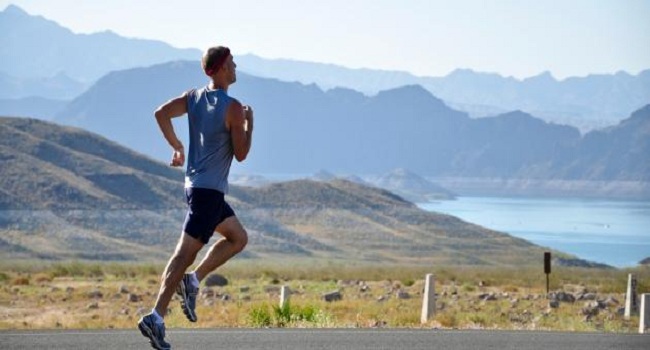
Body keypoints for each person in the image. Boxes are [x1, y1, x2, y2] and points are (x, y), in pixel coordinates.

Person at [138, 46, 253, 350]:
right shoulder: (233, 108)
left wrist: (177, 146)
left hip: (198, 189)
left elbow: (160, 113)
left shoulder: (193, 97)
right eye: (231, 63)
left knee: (238, 238)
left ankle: (193, 280)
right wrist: (248, 125)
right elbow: (241, 154)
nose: (235, 66)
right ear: (217, 69)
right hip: (208, 193)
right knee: (183, 255)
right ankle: (156, 316)